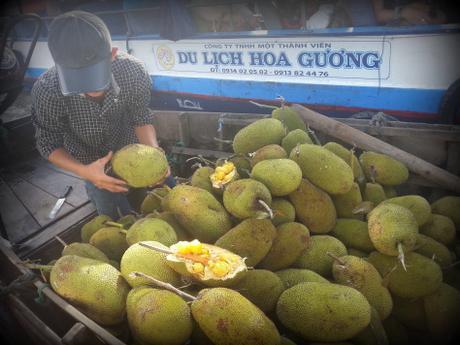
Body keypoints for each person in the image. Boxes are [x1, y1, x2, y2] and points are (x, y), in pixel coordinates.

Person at [31, 10, 173, 219]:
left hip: (133, 151)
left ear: (112, 54)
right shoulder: (47, 89)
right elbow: (48, 143)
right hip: (88, 160)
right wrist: (85, 171)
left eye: (94, 77)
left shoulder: (133, 71)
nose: (89, 89)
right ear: (60, 67)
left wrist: (154, 151)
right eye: (79, 81)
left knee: (168, 200)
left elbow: (140, 117)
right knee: (114, 218)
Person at [371, 0, 447, 25]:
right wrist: (404, 13)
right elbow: (380, 16)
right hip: (393, 30)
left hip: (426, 30)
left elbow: (442, 16)